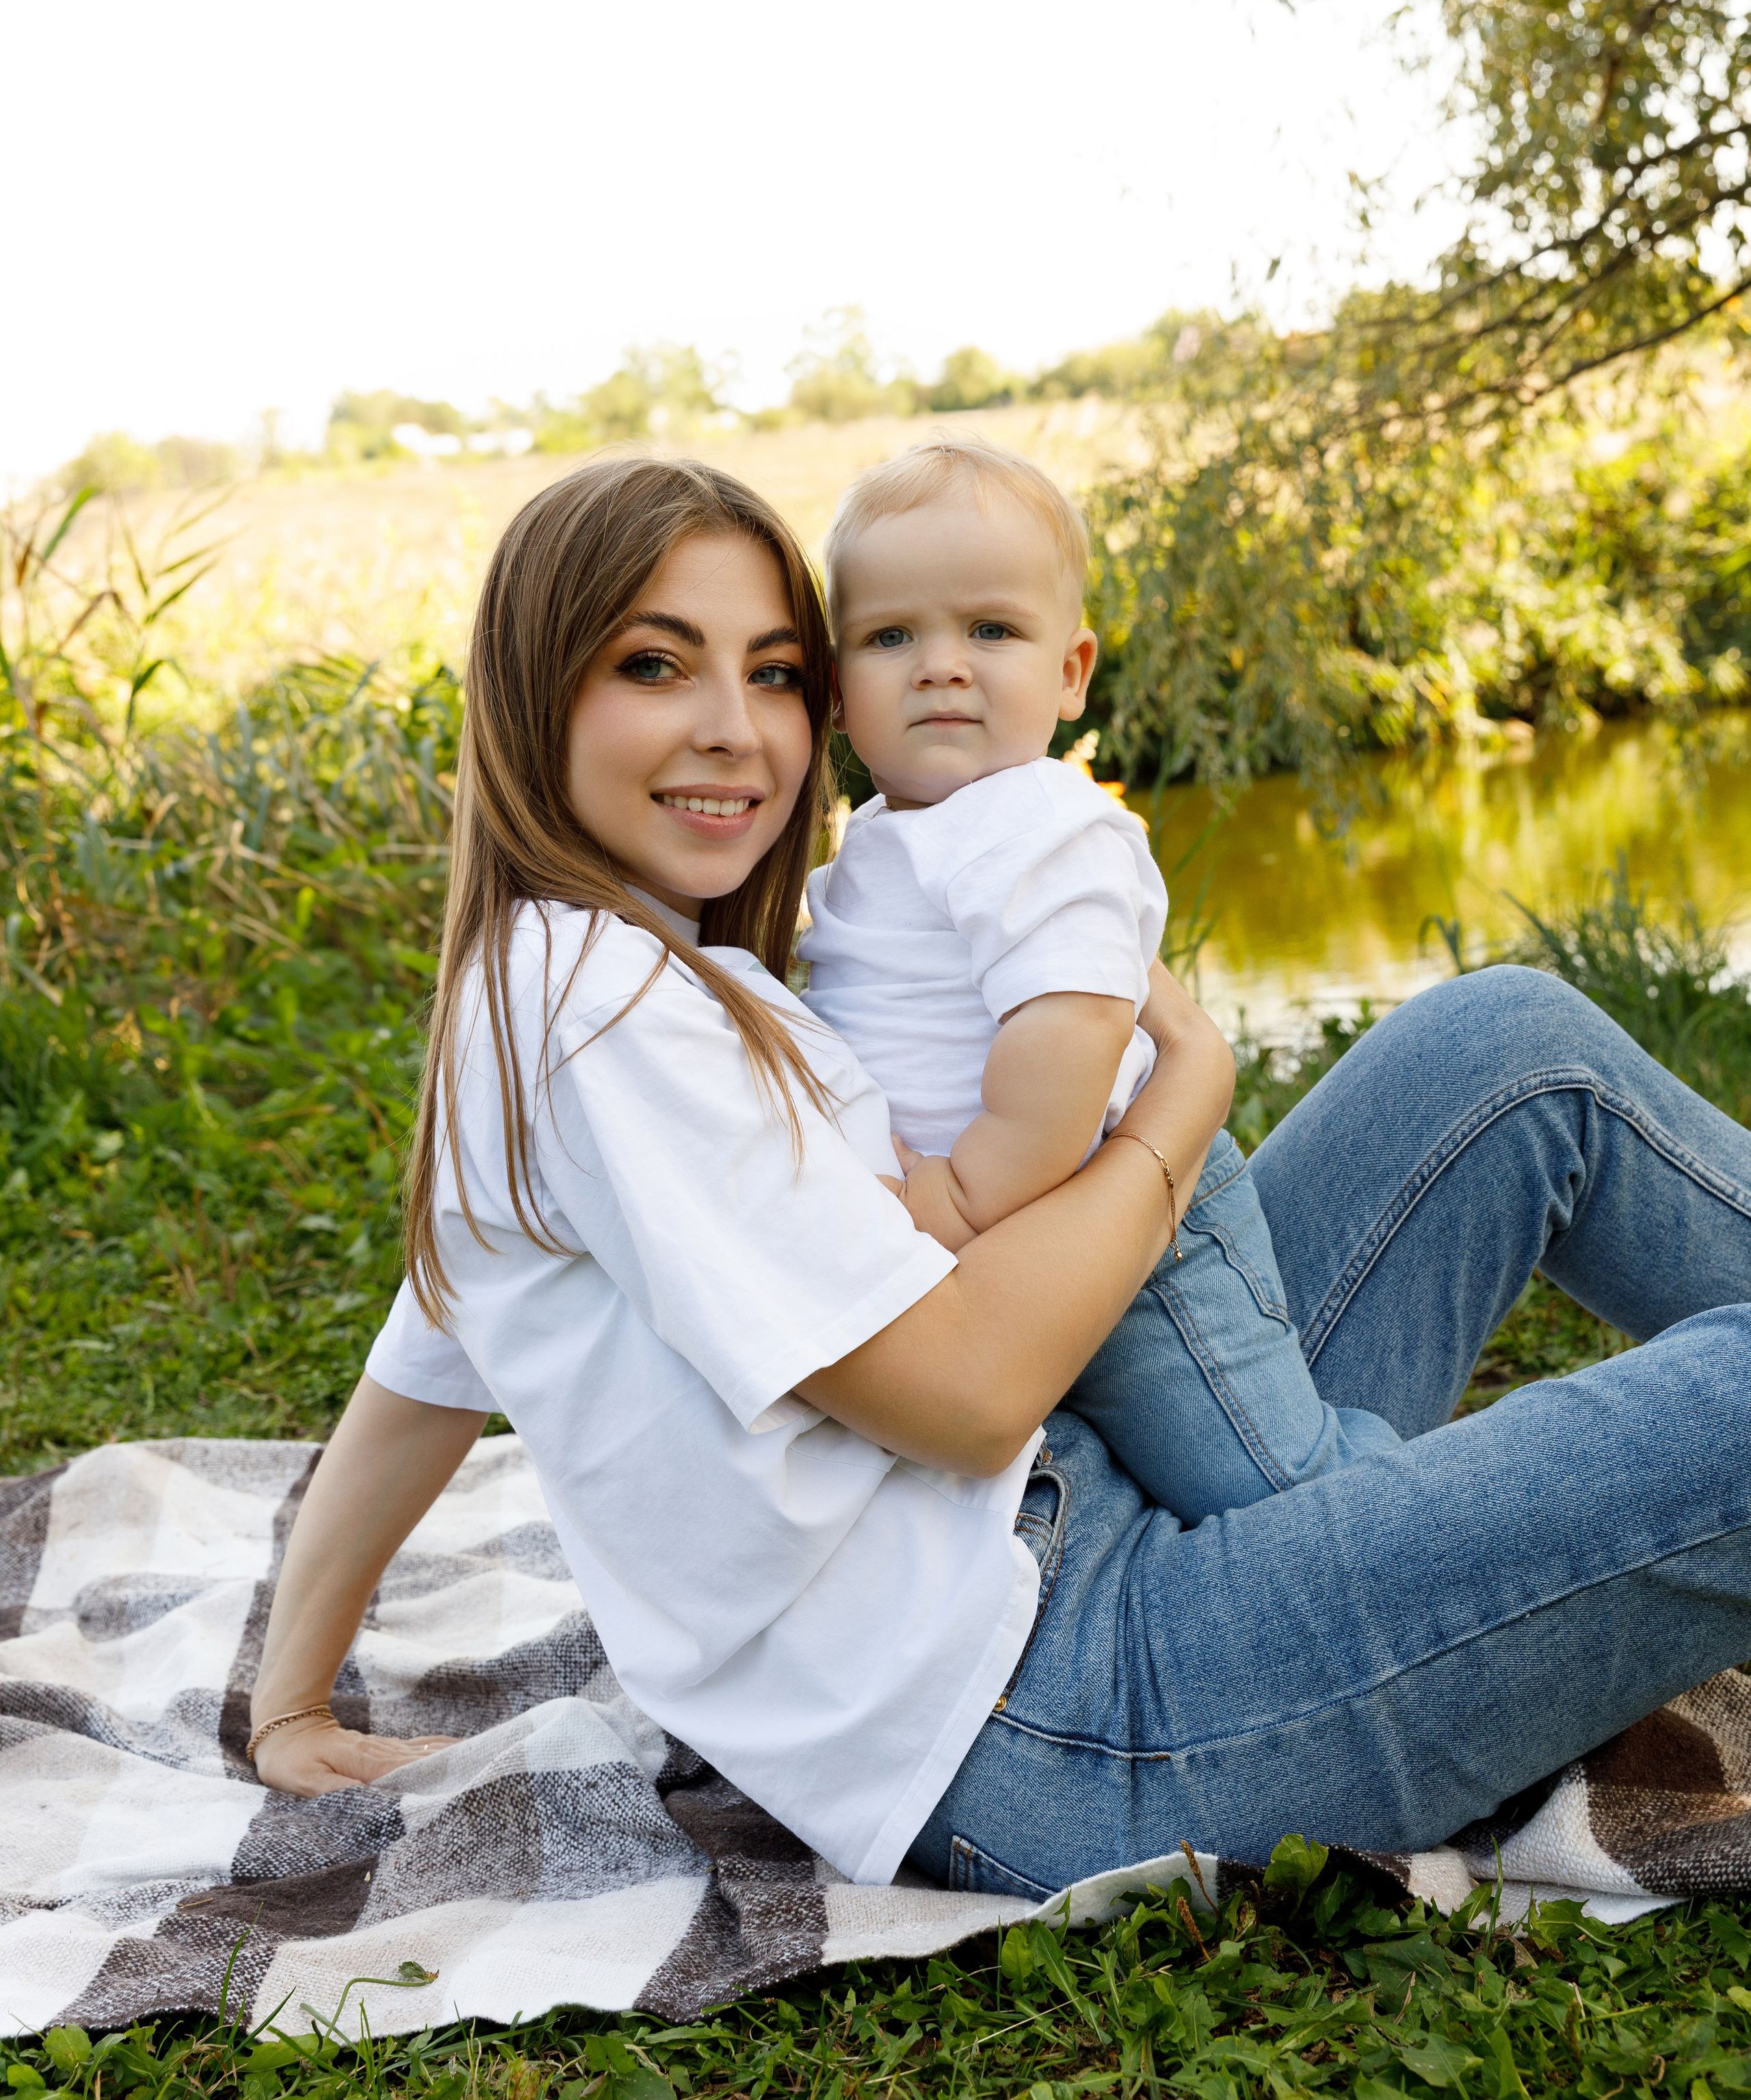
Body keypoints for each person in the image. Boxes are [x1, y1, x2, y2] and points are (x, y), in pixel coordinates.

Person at [248, 450, 1751, 1907]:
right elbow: (966, 1400)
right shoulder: (599, 1011)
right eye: (654, 666)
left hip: (1100, 1493)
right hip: (1074, 1713)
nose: (734, 729)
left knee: (1504, 1047)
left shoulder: (610, 977)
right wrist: (1180, 1107)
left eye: (773, 672)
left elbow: (434, 1348)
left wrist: (288, 1696)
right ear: (531, 694)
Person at [802, 435, 1399, 1524]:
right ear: (837, 691)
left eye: (991, 629)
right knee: (1169, 1469)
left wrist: (962, 1192)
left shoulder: (1038, 821)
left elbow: (1068, 1038)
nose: (942, 663)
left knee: (1263, 1481)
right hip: (1019, 1256)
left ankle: (1447, 1522)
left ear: (1070, 673)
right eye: (892, 636)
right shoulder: (875, 846)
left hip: (1115, 1234)